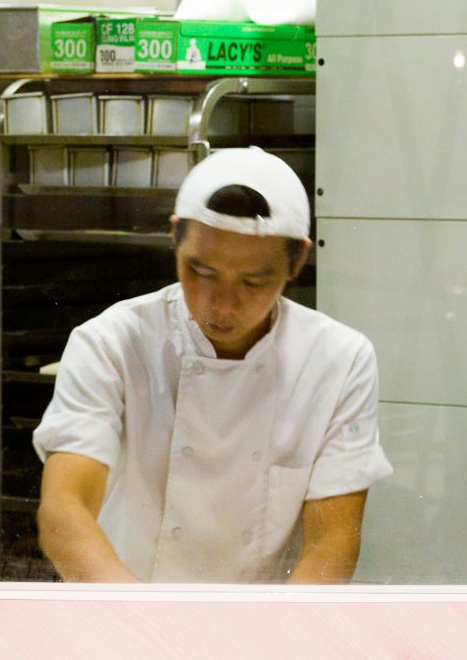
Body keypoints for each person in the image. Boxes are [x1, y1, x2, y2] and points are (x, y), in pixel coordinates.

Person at [33, 147, 391, 583]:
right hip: (123, 612)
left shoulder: (339, 360)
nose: (221, 304)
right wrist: (142, 628)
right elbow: (63, 513)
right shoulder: (110, 344)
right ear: (174, 236)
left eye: (253, 281)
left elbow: (331, 544)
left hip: (263, 632)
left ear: (297, 259)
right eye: (200, 272)